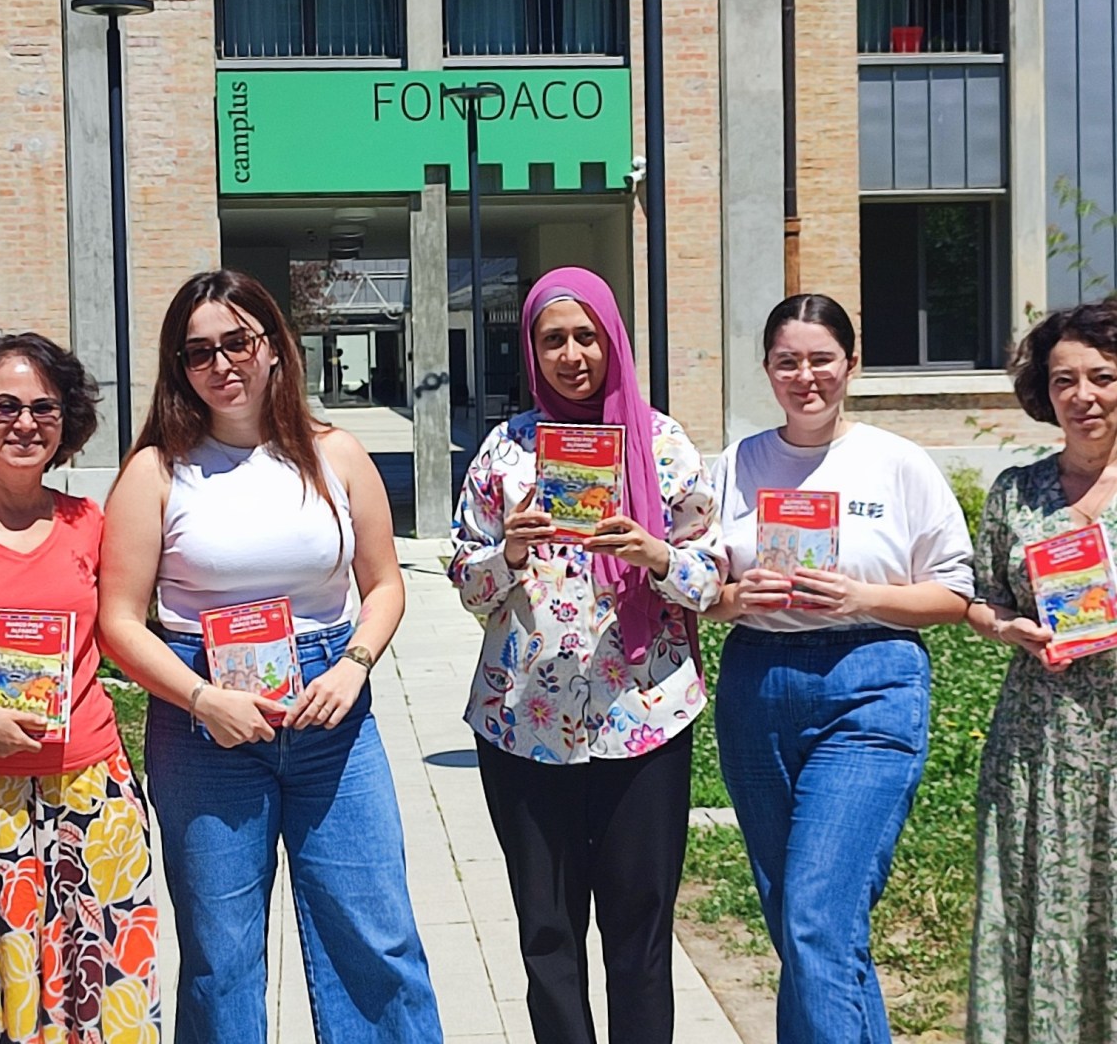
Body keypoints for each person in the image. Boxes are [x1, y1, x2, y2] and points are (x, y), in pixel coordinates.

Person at [98, 270, 441, 1044]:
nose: (222, 365)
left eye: (238, 343)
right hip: (205, 728)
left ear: (275, 348)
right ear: (178, 367)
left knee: (375, 938)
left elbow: (384, 585)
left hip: (331, 717)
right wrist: (199, 699)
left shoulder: (337, 455)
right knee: (222, 960)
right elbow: (118, 621)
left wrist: (354, 662)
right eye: (198, 353)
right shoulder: (155, 471)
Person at [448, 267, 724, 1044]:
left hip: (644, 720)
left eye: (586, 336)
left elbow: (714, 578)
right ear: (531, 350)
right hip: (522, 727)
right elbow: (467, 583)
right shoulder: (506, 451)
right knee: (547, 933)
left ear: (611, 339)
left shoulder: (661, 444)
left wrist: (657, 555)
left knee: (638, 936)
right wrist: (505, 554)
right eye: (552, 339)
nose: (572, 355)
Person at [707, 293, 973, 1044]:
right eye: (787, 361)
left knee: (818, 915)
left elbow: (954, 594)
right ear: (767, 370)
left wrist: (865, 595)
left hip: (871, 680)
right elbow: (702, 592)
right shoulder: (739, 464)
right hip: (758, 685)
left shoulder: (898, 462)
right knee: (799, 919)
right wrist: (734, 595)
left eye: (821, 359)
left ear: (851, 365)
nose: (806, 376)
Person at [0, 334, 160, 1042]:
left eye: (44, 408)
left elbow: (125, 631)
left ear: (67, 421)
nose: (25, 423)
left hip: (90, 795)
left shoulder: (91, 525)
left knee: (102, 984)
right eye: (5, 406)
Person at [965, 299, 1117, 1042]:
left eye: (1103, 377)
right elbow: (981, 601)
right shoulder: (1016, 495)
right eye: (1065, 381)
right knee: (1037, 906)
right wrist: (1009, 628)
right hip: (1042, 740)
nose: (1083, 396)